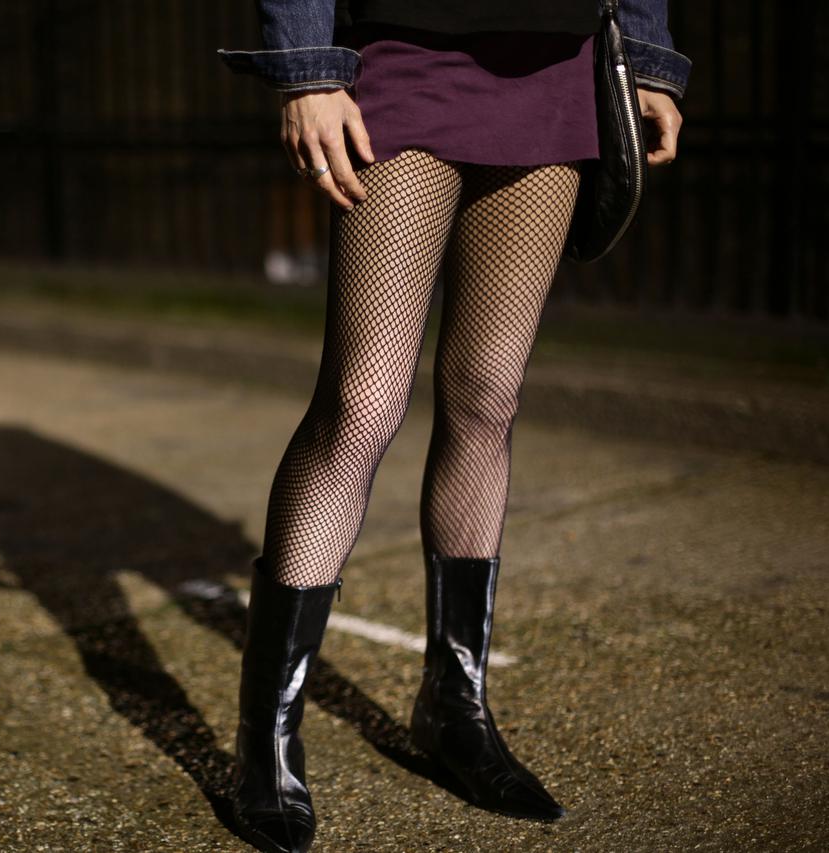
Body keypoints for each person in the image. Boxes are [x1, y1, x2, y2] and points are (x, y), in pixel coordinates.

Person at [217, 2, 691, 851]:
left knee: (487, 395)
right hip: (407, 57)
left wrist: (650, 59)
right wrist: (308, 67)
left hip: (553, 70)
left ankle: (453, 706)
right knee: (363, 402)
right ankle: (267, 739)